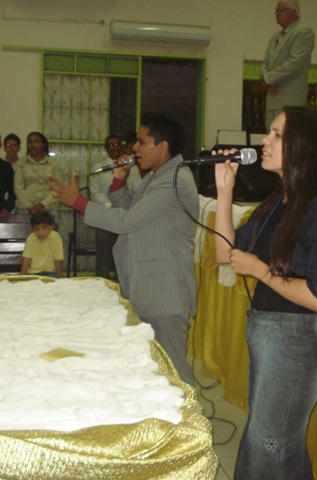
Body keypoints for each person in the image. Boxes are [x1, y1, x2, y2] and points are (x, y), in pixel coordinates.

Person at [213, 106, 317, 479]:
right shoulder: (278, 203)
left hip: (294, 345)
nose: (264, 141)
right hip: (268, 336)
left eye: (276, 134)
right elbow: (225, 253)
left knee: (272, 449)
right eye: (268, 133)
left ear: (305, 146)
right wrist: (225, 190)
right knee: (269, 447)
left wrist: (260, 269)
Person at [49, 113, 198, 385]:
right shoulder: (157, 176)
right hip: (150, 285)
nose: (134, 148)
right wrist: (118, 183)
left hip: (165, 292)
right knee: (153, 366)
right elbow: (134, 210)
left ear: (162, 146)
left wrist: (78, 202)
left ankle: (189, 425)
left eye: (141, 142)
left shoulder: (173, 180)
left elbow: (127, 222)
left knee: (173, 371)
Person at [89, 134, 142, 279]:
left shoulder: (132, 167)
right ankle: (101, 284)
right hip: (105, 216)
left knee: (124, 254)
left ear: (122, 147)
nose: (115, 148)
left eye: (117, 144)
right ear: (106, 148)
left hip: (125, 216)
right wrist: (110, 205)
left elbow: (137, 190)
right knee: (104, 256)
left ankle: (122, 285)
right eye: (111, 145)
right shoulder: (98, 167)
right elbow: (94, 192)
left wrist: (123, 204)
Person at [259, 0, 314, 127]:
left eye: (281, 10)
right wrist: (267, 82)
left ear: (294, 12)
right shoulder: (275, 37)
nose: (277, 14)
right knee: (271, 138)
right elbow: (264, 63)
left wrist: (268, 78)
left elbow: (295, 62)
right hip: (273, 98)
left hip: (290, 99)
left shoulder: (303, 32)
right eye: (276, 11)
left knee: (287, 140)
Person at [14, 132, 58, 216]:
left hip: (48, 208)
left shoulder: (53, 163)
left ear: (43, 144)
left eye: (36, 142)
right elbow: (18, 186)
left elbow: (56, 187)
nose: (33, 145)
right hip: (24, 209)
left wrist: (42, 204)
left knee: (48, 229)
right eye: (30, 142)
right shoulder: (21, 163)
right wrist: (29, 206)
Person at [20, 210, 63, 278]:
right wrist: (21, 278)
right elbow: (26, 260)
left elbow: (58, 261)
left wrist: (59, 280)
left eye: (44, 228)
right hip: (33, 273)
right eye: (36, 229)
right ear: (32, 229)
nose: (40, 232)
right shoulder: (31, 238)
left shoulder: (56, 237)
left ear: (51, 227)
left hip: (51, 273)